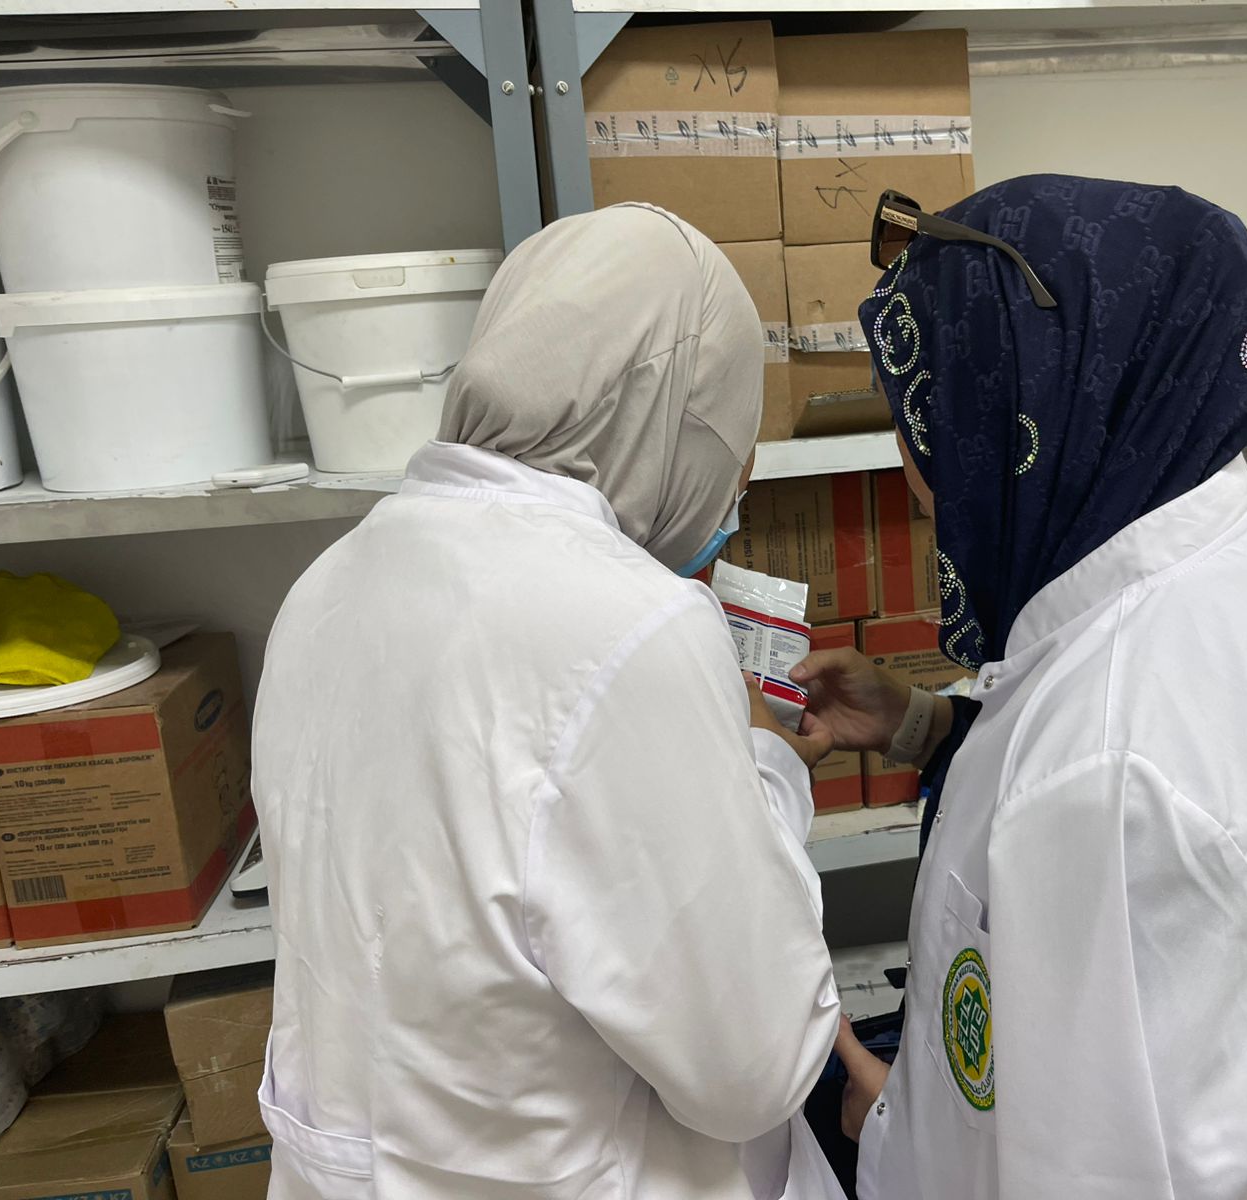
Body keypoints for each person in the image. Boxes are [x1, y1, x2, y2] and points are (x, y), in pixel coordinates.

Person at [795, 176, 1247, 1198]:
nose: (919, 477)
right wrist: (924, 727)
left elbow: (1093, 1169)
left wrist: (892, 1128)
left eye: (936, 420)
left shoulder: (1102, 767)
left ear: (1028, 411)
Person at [251, 204, 846, 1199]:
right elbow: (754, 1068)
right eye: (732, 448)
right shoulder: (633, 623)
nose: (732, 489)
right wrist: (767, 764)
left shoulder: (327, 584)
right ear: (673, 421)